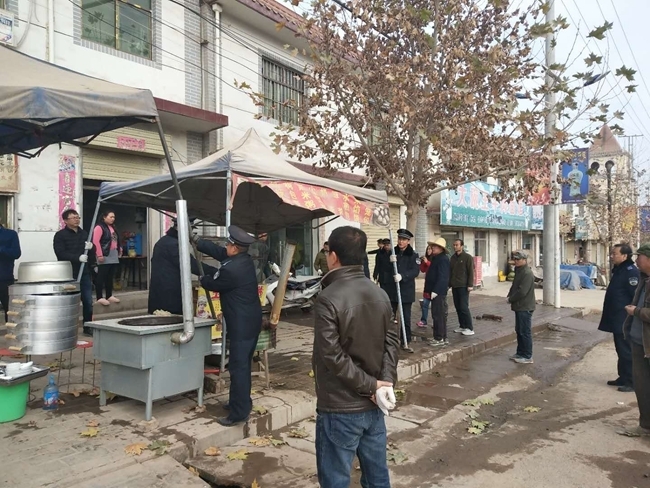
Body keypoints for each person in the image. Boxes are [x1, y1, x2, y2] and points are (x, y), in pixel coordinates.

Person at [313, 225, 399, 488]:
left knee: (336, 479)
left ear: (333, 256)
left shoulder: (327, 298)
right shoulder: (380, 293)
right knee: (377, 477)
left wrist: (374, 386)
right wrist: (384, 382)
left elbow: (332, 355)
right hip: (374, 404)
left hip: (341, 406)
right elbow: (392, 343)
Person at [192, 225, 262, 427]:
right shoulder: (244, 260)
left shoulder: (231, 270)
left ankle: (238, 414)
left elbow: (212, 283)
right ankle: (238, 402)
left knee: (239, 368)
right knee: (241, 365)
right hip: (249, 322)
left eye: (228, 245)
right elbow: (218, 252)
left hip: (242, 326)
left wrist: (201, 277)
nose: (226, 247)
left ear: (234, 248)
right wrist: (198, 242)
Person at [598, 243, 639, 392]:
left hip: (624, 319)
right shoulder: (620, 270)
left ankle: (631, 381)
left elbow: (634, 296)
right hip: (616, 317)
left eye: (614, 254)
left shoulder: (631, 272)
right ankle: (623, 377)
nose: (612, 256)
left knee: (626, 350)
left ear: (624, 256)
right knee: (620, 349)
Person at [622, 243, 650, 436]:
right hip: (638, 342)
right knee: (642, 387)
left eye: (639, 256)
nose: (636, 260)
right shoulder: (643, 279)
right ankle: (645, 426)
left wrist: (637, 311)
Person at [53, 209, 94, 336]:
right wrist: (77, 258)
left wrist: (91, 248)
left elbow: (90, 253)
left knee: (88, 301)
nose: (76, 219)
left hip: (84, 272)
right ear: (65, 220)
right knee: (69, 302)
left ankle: (88, 326)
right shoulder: (60, 235)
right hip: (68, 273)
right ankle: (67, 327)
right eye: (73, 218)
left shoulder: (84, 234)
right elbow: (60, 253)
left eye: (77, 217)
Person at [147, 218, 197, 315]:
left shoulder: (164, 241)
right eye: (191, 230)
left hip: (162, 293)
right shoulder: (174, 244)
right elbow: (191, 264)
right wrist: (214, 272)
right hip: (169, 295)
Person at [384, 229, 419, 352]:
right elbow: (386, 269)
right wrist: (390, 261)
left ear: (408, 241)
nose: (400, 241)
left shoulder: (413, 255)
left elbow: (415, 271)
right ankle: (389, 340)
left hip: (406, 291)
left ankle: (405, 340)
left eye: (403, 239)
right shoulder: (393, 252)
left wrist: (403, 276)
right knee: (389, 316)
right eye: (399, 239)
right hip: (393, 290)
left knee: (405, 317)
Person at [507, 250, 536, 364]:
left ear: (524, 260)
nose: (516, 261)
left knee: (524, 331)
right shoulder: (519, 270)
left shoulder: (527, 273)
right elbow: (515, 286)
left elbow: (522, 291)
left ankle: (527, 355)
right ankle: (520, 353)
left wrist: (511, 299)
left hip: (525, 306)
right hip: (519, 306)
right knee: (519, 330)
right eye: (515, 259)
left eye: (518, 259)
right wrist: (509, 295)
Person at [424, 238, 451, 347]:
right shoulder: (436, 258)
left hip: (438, 292)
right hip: (435, 291)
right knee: (437, 315)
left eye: (435, 246)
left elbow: (443, 277)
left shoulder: (443, 259)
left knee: (438, 315)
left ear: (441, 248)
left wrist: (436, 290)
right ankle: (440, 336)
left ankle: (440, 338)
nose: (433, 248)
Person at [92, 210, 122, 306]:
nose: (113, 219)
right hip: (104, 253)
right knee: (101, 276)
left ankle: (109, 295)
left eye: (114, 217)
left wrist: (119, 249)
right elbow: (96, 241)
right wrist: (99, 254)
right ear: (104, 217)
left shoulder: (113, 227)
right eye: (110, 217)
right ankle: (99, 297)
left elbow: (116, 240)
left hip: (113, 253)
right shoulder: (99, 227)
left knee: (110, 276)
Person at [450, 239, 475, 336]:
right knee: (458, 307)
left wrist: (470, 284)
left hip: (463, 286)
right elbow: (450, 272)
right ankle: (462, 326)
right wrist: (449, 284)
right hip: (455, 285)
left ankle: (470, 327)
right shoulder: (452, 258)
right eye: (454, 245)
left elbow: (471, 271)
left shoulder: (467, 257)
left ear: (462, 246)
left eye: (457, 245)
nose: (455, 246)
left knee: (464, 307)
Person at [0, 219, 21, 323]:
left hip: (4, 277)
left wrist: (1, 249)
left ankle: (10, 330)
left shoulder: (10, 234)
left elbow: (16, 253)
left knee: (9, 309)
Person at [417, 244, 435, 328]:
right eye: (427, 249)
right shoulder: (426, 259)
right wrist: (421, 262)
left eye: (430, 249)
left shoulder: (435, 259)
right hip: (427, 284)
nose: (428, 251)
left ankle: (436, 321)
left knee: (435, 306)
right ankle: (423, 320)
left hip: (434, 285)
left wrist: (427, 262)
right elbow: (423, 270)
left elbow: (433, 267)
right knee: (425, 304)